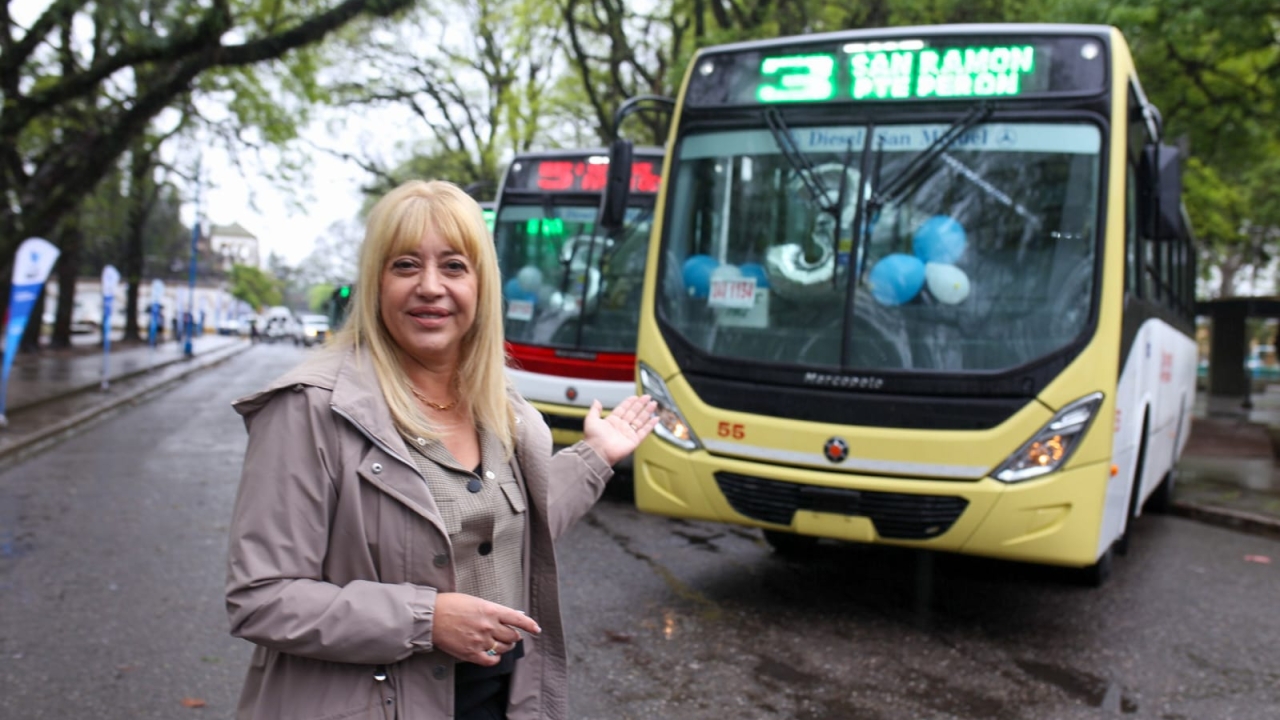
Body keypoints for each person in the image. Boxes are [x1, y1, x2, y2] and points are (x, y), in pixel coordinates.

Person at [224, 179, 658, 720]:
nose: (431, 286)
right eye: (405, 265)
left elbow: (503, 530)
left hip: (499, 699)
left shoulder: (500, 407)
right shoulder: (308, 409)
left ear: (482, 285)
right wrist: (425, 619)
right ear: (375, 282)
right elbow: (261, 599)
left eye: (454, 266)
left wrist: (595, 456)